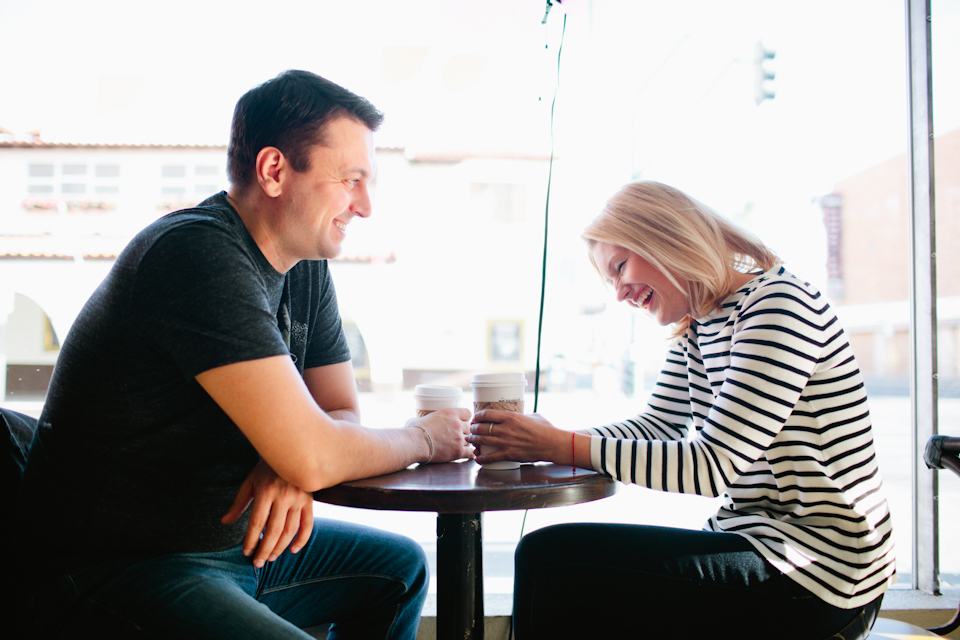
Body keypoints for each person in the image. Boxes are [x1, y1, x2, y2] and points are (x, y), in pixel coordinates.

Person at [15, 70, 473, 639]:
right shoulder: (196, 256)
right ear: (274, 171)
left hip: (230, 545)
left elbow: (336, 411)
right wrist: (423, 438)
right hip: (115, 568)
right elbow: (317, 450)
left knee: (397, 569)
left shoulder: (304, 266)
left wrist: (292, 458)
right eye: (351, 180)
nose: (366, 206)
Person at [468, 181, 896, 640]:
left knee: (550, 559)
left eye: (620, 267)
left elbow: (713, 467)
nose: (619, 293)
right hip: (759, 545)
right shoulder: (701, 323)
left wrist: (558, 445)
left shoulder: (776, 306)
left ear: (663, 235)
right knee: (570, 571)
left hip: (821, 576)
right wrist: (546, 441)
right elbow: (658, 425)